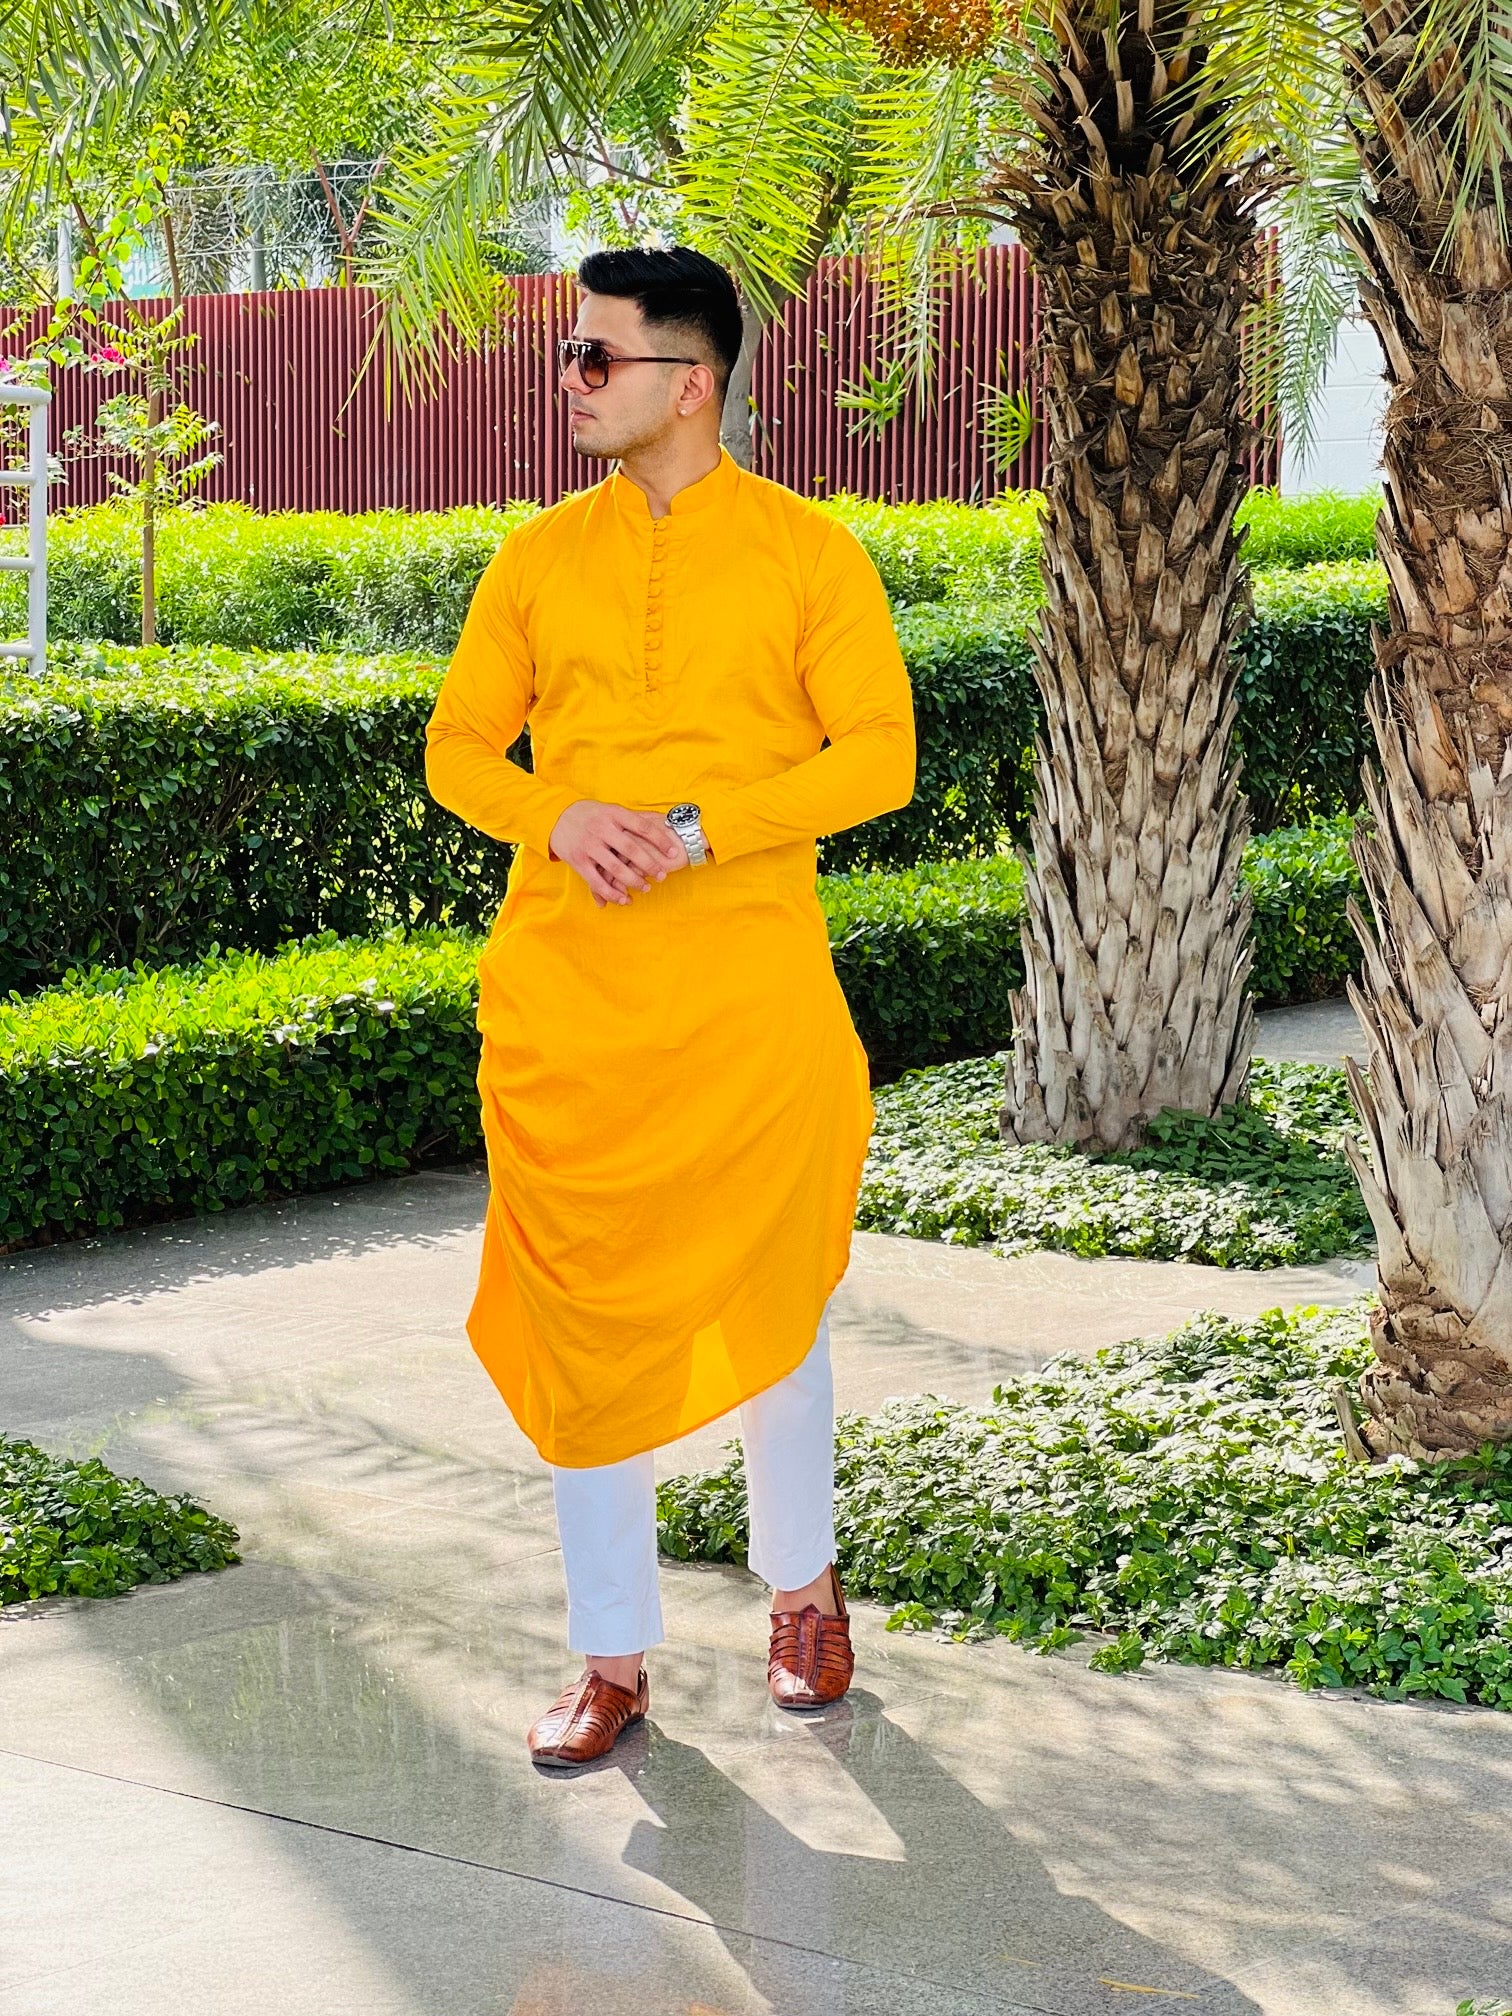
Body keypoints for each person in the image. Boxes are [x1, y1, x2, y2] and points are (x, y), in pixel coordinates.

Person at [424, 245, 916, 1767]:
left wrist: (703, 831)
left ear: (689, 383)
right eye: (569, 355)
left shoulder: (808, 554)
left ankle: (802, 1595)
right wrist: (559, 814)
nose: (569, 381)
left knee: (773, 1297)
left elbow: (879, 755)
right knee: (586, 1327)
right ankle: (610, 1656)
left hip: (748, 998)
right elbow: (458, 749)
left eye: (598, 357)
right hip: (572, 1010)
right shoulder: (535, 559)